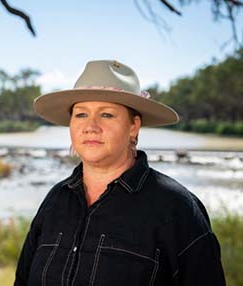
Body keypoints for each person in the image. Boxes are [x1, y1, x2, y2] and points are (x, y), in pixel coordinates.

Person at [14, 59, 225, 286]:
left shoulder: (176, 207)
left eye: (107, 115)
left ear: (134, 126)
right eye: (81, 114)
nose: (90, 126)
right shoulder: (55, 200)